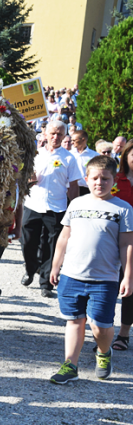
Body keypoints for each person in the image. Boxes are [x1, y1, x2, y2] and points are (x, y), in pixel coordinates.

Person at [48, 155, 133, 384]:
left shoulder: (123, 209)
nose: (99, 183)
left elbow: (126, 244)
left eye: (105, 178)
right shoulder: (76, 204)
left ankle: (104, 353)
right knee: (74, 320)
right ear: (87, 178)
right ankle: (70, 365)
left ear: (114, 180)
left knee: (100, 325)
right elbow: (64, 237)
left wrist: (127, 276)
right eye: (94, 178)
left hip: (105, 278)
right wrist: (56, 266)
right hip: (72, 274)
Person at [21, 121, 82, 298]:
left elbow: (72, 185)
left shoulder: (69, 158)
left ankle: (46, 282)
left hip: (56, 206)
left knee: (52, 245)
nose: (56, 137)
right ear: (45, 134)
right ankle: (31, 268)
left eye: (60, 134)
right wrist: (28, 180)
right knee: (27, 241)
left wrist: (75, 208)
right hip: (33, 204)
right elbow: (23, 178)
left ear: (64, 137)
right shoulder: (34, 154)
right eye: (53, 133)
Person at [112, 141, 133, 351]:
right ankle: (104, 331)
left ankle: (123, 334)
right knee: (109, 285)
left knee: (130, 289)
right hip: (112, 240)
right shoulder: (115, 179)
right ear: (126, 156)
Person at [70, 130, 99, 196]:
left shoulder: (94, 155)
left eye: (74, 140)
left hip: (87, 189)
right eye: (72, 140)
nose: (72, 142)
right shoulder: (69, 154)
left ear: (83, 140)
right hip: (71, 188)